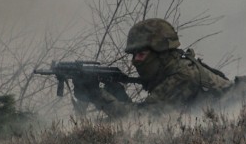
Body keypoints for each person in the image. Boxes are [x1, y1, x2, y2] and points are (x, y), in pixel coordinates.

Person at [71, 18, 232, 118]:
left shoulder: (182, 75)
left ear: (160, 53)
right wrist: (117, 93)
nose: (135, 61)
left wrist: (97, 94)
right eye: (133, 55)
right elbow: (147, 112)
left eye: (141, 54)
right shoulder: (173, 69)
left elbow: (141, 121)